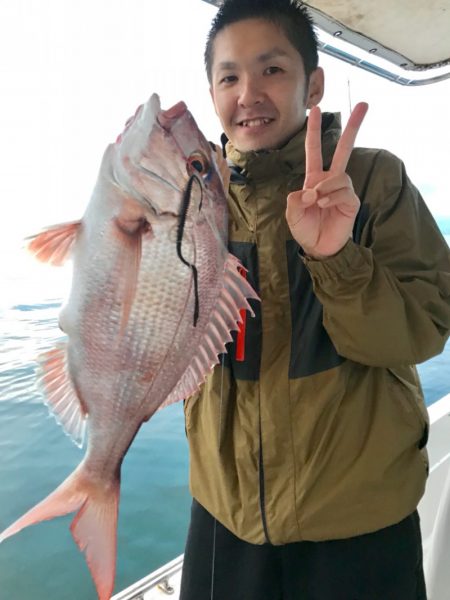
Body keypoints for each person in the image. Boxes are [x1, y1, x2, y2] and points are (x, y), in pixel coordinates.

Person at [179, 1, 450, 598]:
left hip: (358, 525)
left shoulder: (376, 181)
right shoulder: (195, 201)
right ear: (212, 92)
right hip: (225, 516)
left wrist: (337, 259)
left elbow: (418, 332)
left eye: (271, 69)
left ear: (313, 84)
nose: (248, 92)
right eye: (229, 76)